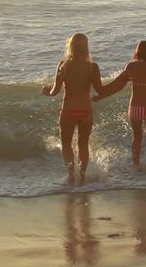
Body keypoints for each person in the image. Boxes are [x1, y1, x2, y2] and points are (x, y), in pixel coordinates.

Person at [92, 41, 146, 167]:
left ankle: (136, 165)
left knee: (137, 137)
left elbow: (117, 86)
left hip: (135, 108)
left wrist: (101, 96)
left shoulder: (131, 66)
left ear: (137, 51)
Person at [42, 33, 103, 184]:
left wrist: (47, 91)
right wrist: (118, 84)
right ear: (86, 47)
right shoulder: (92, 67)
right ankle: (81, 176)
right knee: (83, 145)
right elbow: (100, 89)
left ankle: (71, 175)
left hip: (68, 111)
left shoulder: (63, 65)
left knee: (67, 145)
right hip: (85, 112)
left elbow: (55, 91)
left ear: (70, 46)